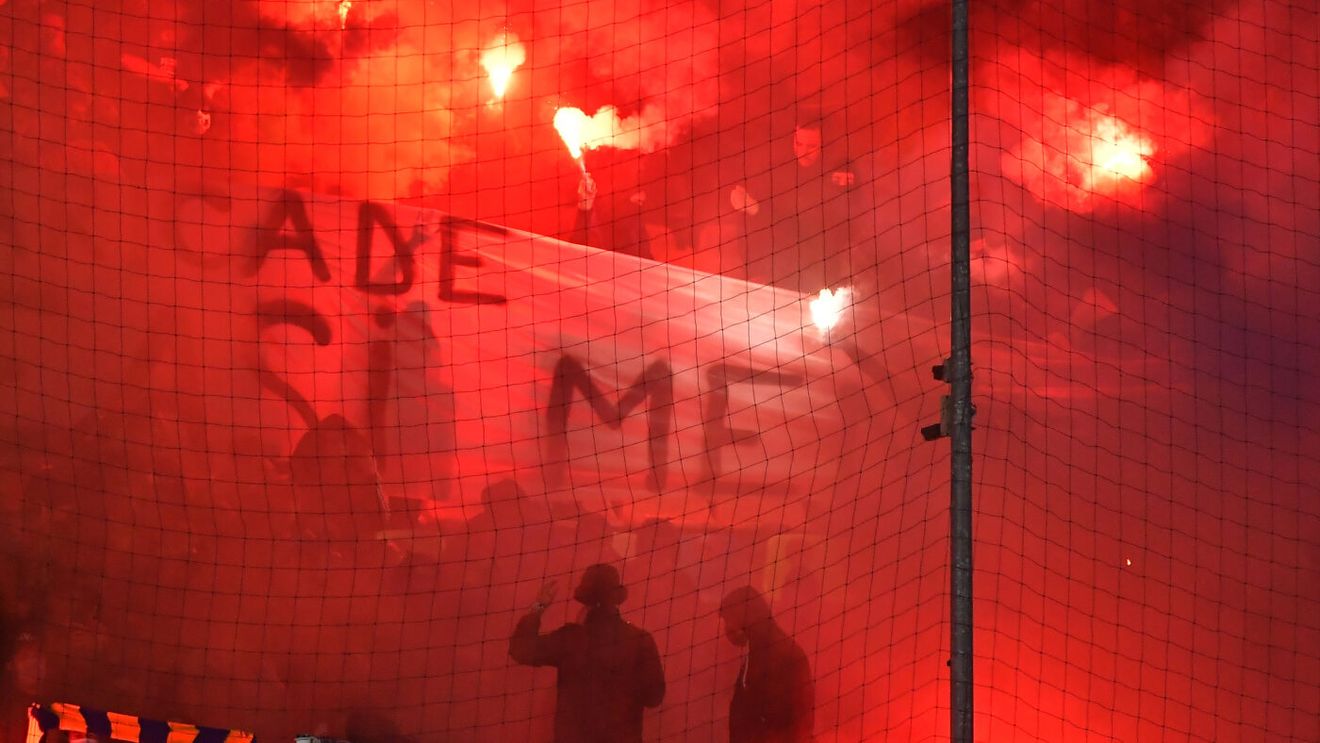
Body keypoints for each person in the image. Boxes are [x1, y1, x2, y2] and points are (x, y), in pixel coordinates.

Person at [509, 564, 665, 743]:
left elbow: (520, 649)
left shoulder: (571, 639)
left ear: (586, 603)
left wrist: (539, 606)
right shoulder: (640, 640)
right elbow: (654, 697)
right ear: (616, 599)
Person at [719, 587, 815, 743]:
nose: (727, 629)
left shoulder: (780, 654)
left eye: (729, 621)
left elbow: (797, 717)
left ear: (745, 617)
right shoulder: (757, 649)